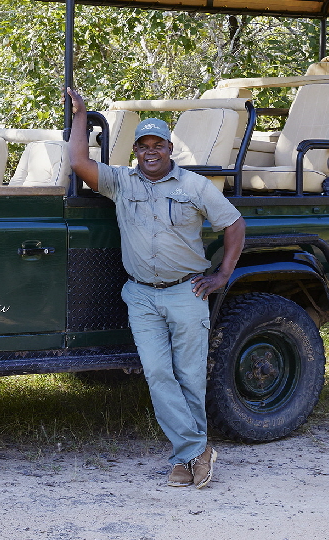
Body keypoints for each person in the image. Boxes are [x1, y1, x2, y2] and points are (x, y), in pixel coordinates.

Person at [65, 87, 245, 489]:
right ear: (135, 151)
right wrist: (80, 115)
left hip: (188, 292)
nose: (150, 151)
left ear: (169, 148)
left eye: (157, 145)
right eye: (142, 145)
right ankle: (198, 449)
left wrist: (222, 275)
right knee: (159, 373)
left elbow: (233, 224)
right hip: (142, 295)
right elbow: (78, 161)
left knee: (190, 377)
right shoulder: (120, 183)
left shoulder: (194, 186)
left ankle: (186, 460)